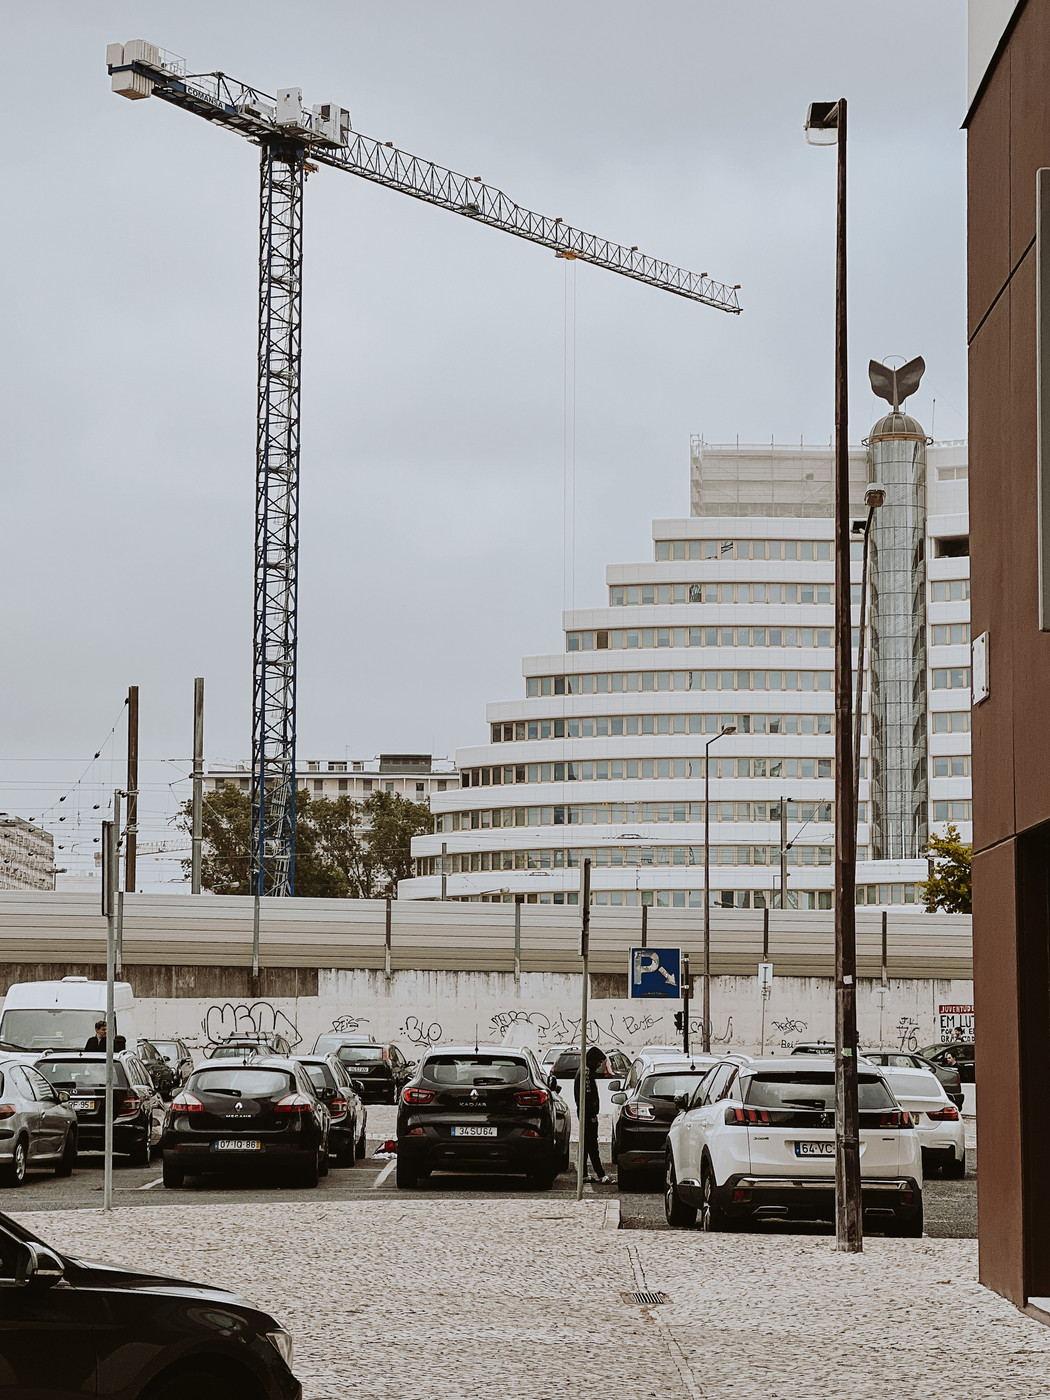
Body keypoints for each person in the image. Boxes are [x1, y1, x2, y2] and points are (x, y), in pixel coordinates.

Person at [574, 1045, 613, 1185]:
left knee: (586, 1145)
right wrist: (592, 1115)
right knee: (592, 1145)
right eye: (599, 1062)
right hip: (587, 1114)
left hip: (584, 1113)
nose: (599, 1065)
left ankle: (584, 1174)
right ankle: (601, 1174)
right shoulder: (586, 1073)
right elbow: (588, 1096)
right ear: (592, 1060)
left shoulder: (584, 1071)